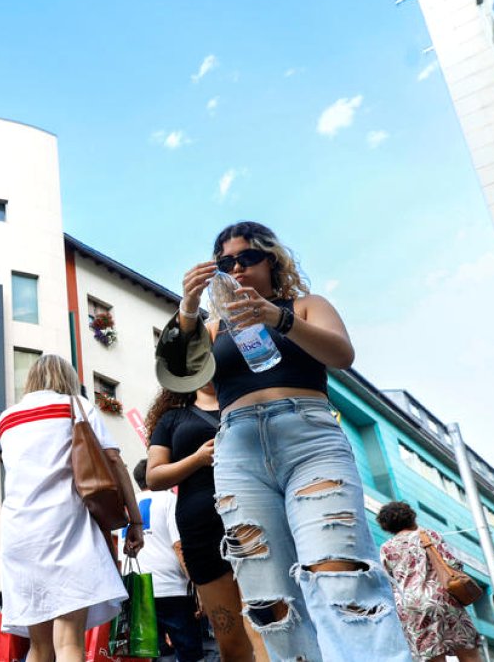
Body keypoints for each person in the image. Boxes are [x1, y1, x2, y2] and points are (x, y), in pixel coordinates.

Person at [175, 221, 410, 660]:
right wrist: (189, 307)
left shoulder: (304, 305)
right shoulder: (213, 327)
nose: (237, 268)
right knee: (269, 598)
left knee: (338, 572)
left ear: (272, 258)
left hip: (308, 438)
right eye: (225, 262)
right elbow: (181, 375)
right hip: (239, 446)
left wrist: (276, 317)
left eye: (247, 257)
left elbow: (341, 354)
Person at [0, 354, 143, 662]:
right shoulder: (76, 406)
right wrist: (136, 520)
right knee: (68, 643)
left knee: (39, 646)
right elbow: (114, 461)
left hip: (19, 535)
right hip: (64, 529)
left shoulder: (6, 419)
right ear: (67, 378)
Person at [145, 382, 263, 662]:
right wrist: (197, 459)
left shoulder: (246, 402)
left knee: (263, 625)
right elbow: (155, 476)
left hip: (253, 518)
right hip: (200, 530)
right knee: (229, 640)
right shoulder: (172, 418)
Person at [373, 501, 478, 661]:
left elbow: (387, 582)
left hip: (411, 607)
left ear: (387, 527)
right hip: (443, 600)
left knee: (433, 657)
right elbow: (451, 565)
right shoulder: (429, 535)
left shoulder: (386, 548)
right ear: (412, 517)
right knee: (468, 653)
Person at [132, 460, 204, 662]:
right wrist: (197, 586)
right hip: (171, 588)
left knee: (151, 655)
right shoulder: (168, 499)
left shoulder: (128, 505)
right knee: (189, 652)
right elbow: (179, 546)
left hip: (138, 589)